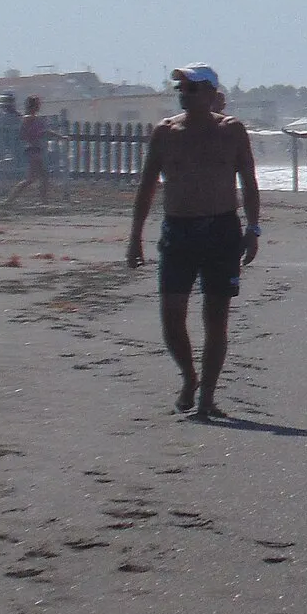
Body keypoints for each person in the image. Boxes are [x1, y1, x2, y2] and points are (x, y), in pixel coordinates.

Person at [126, 65, 260, 421]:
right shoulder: (165, 132)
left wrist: (254, 228)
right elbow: (147, 186)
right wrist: (135, 236)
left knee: (215, 319)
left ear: (212, 93)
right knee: (171, 317)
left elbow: (248, 181)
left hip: (222, 231)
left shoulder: (231, 131)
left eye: (193, 88)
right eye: (181, 88)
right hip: (178, 232)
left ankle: (207, 398)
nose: (185, 94)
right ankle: (189, 378)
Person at [5, 95, 53, 205]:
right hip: (33, 149)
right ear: (33, 105)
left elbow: (44, 131)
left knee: (41, 176)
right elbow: (24, 134)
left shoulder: (33, 118)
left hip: (36, 149)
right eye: (38, 104)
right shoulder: (29, 118)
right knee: (33, 178)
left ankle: (43, 201)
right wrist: (34, 136)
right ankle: (10, 199)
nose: (39, 106)